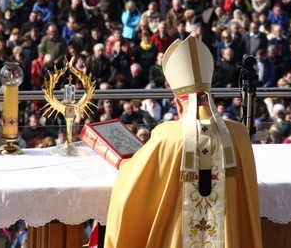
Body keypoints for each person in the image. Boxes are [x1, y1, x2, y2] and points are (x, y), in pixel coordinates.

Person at [105, 36, 263, 247]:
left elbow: (132, 187)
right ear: (212, 98)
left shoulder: (167, 136)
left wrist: (123, 164)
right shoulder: (240, 134)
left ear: (178, 104)